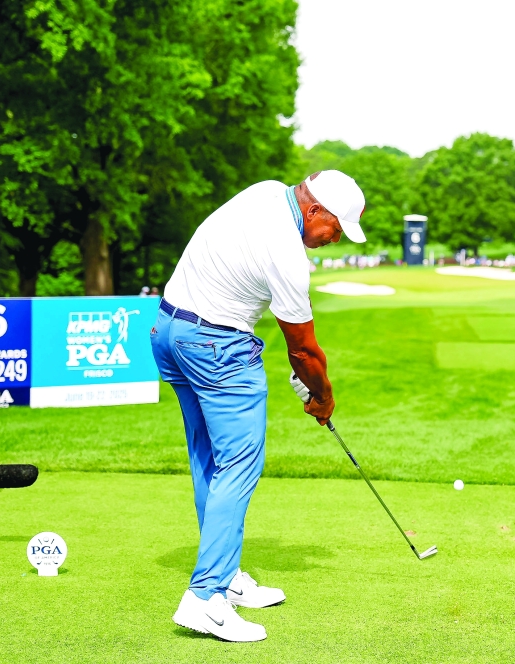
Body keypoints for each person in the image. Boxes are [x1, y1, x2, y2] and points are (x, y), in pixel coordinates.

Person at [150, 170, 366, 643]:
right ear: (314, 211)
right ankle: (206, 597)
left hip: (168, 331)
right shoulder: (290, 256)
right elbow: (304, 351)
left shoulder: (267, 191)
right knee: (239, 466)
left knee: (210, 461)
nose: (334, 239)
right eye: (336, 227)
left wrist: (304, 371)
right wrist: (322, 397)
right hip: (214, 344)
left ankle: (224, 576)